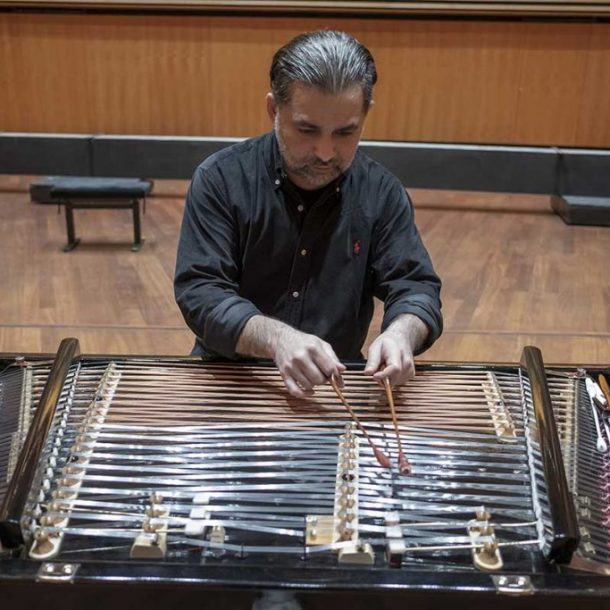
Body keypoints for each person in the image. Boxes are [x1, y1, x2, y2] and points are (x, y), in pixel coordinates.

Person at [174, 30, 442, 398]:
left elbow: (415, 287)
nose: (325, 152)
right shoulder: (221, 179)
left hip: (332, 391)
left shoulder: (381, 192)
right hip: (233, 381)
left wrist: (401, 333)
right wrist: (277, 339)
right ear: (274, 109)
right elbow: (202, 292)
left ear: (365, 115)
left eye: (345, 132)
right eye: (307, 129)